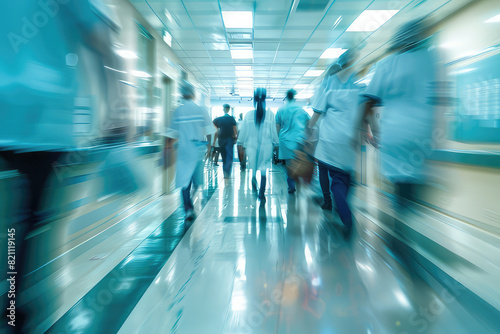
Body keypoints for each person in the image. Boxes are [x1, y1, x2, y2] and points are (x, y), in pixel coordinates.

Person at [0, 2, 124, 332]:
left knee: (16, 223)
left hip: (11, 116)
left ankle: (12, 302)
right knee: (27, 223)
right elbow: (102, 44)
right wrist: (118, 105)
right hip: (44, 122)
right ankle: (13, 306)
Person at [356, 19, 438, 211]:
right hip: (424, 135)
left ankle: (400, 222)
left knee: (399, 186)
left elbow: (369, 102)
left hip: (394, 135)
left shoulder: (388, 63)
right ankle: (409, 214)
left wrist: (370, 131)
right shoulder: (431, 60)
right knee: (414, 184)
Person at [307, 49, 361, 237]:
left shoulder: (328, 84)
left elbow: (317, 111)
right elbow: (365, 109)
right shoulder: (357, 83)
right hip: (351, 139)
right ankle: (341, 205)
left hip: (331, 139)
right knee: (347, 178)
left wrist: (308, 131)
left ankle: (343, 212)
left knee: (336, 179)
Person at [164, 82, 213, 220]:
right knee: (197, 180)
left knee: (184, 180)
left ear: (182, 94)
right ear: (193, 94)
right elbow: (209, 130)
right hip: (197, 149)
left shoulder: (178, 111)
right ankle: (189, 204)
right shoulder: (200, 109)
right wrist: (209, 146)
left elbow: (171, 133)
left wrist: (167, 148)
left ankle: (188, 208)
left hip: (183, 150)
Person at [238, 88, 279, 203]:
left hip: (251, 146)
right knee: (264, 169)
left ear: (254, 101)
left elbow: (244, 131)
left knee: (254, 167)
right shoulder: (270, 114)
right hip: (266, 146)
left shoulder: (249, 114)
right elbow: (273, 132)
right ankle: (261, 193)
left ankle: (253, 178)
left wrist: (240, 142)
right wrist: (276, 143)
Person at [275, 89, 310, 193]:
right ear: (294, 97)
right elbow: (309, 122)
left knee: (289, 165)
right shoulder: (300, 109)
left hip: (285, 140)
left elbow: (277, 126)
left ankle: (291, 186)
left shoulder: (281, 109)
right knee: (298, 162)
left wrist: (278, 139)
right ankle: (298, 183)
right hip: (298, 140)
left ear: (286, 97)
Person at [213, 104, 237, 178]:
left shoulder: (219, 119)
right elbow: (235, 129)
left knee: (224, 157)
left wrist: (214, 141)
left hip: (221, 139)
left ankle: (225, 173)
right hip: (229, 139)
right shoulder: (232, 119)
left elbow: (215, 131)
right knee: (229, 156)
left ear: (223, 109)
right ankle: (227, 172)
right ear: (229, 109)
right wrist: (235, 137)